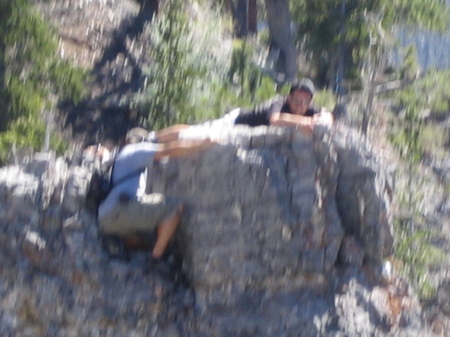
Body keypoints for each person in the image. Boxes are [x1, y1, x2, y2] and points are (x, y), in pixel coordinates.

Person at [96, 129, 214, 260]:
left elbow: (173, 132)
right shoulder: (136, 150)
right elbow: (167, 150)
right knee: (173, 208)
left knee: (146, 233)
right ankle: (156, 257)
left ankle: (134, 256)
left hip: (105, 218)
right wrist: (200, 145)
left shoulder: (118, 157)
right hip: (120, 211)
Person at [230, 77, 333, 134]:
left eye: (304, 102)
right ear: (289, 97)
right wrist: (308, 122)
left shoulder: (309, 107)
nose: (300, 105)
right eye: (296, 100)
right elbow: (275, 119)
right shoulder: (279, 102)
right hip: (235, 119)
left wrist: (324, 120)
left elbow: (328, 115)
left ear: (309, 102)